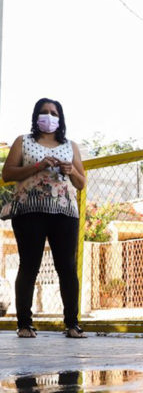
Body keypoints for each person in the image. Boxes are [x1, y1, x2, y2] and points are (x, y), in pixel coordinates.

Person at [1, 98, 87, 338]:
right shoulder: (23, 141)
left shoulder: (71, 146)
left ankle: (72, 324)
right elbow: (7, 173)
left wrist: (70, 171)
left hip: (64, 212)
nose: (48, 117)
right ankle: (24, 325)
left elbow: (81, 183)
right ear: (35, 116)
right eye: (43, 112)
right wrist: (37, 166)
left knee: (67, 268)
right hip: (30, 211)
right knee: (29, 266)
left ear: (60, 118)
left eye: (53, 113)